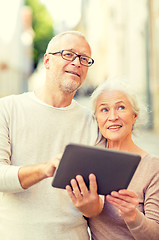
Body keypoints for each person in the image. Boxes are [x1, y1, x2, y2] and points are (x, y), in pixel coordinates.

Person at [0, 31, 99, 240]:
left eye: (84, 59)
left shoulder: (92, 122)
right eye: (69, 54)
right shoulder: (7, 109)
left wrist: (91, 205)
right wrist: (45, 170)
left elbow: (96, 204)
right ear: (47, 60)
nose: (77, 63)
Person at [66, 79, 159, 240]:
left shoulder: (153, 167)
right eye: (104, 110)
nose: (113, 117)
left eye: (121, 107)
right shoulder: (89, 163)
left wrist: (132, 216)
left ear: (134, 115)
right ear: (96, 119)